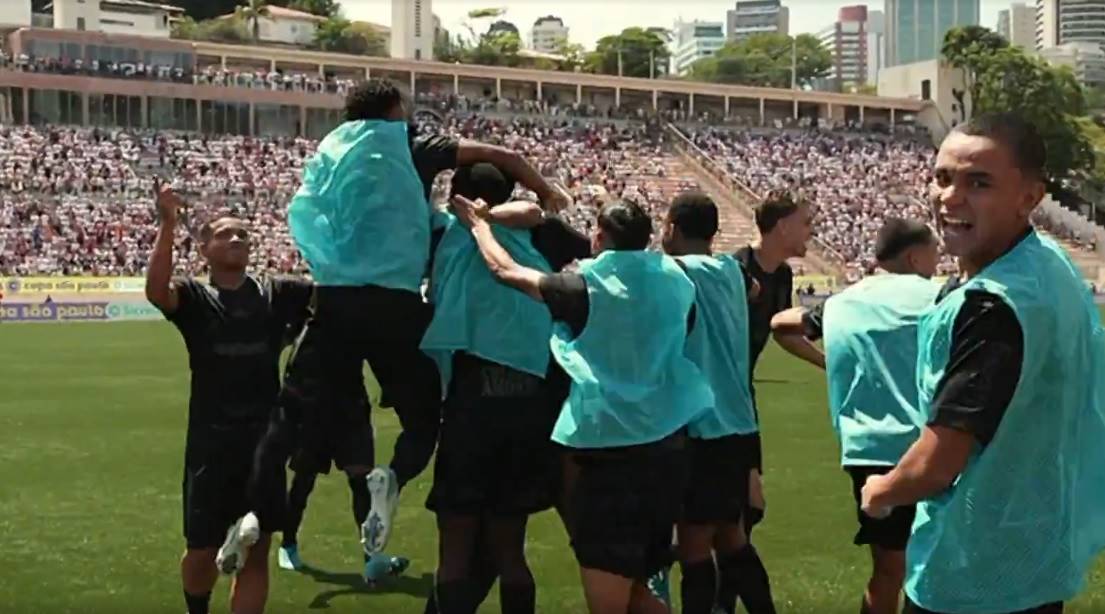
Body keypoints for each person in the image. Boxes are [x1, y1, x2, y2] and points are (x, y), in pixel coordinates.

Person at [237, 79, 568, 582]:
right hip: (395, 302)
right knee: (425, 414)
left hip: (336, 299)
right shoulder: (412, 143)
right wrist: (544, 188)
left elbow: (307, 208)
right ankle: (392, 475)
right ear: (395, 110)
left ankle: (258, 512)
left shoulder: (331, 148)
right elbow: (502, 155)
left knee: (288, 412)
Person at [861, 113, 1105, 613]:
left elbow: (937, 462)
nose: (950, 197)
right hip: (1037, 553)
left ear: (1030, 197)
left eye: (979, 183)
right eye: (943, 177)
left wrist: (882, 490)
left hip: (974, 572)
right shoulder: (1052, 266)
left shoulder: (993, 305)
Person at [451, 195, 713, 614]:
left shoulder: (584, 288)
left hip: (611, 458)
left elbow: (506, 271)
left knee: (609, 594)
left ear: (600, 237)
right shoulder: (678, 282)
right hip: (668, 452)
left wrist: (479, 226)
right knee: (633, 588)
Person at [419, 163, 591, 614]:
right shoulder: (539, 239)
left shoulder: (444, 232)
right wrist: (520, 207)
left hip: (469, 400)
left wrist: (483, 216)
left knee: (454, 550)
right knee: (510, 550)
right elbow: (551, 221)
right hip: (527, 401)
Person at [145, 184, 313, 614]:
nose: (237, 239)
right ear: (202, 248)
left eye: (243, 234)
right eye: (225, 234)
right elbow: (156, 291)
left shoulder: (277, 292)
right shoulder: (195, 297)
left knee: (256, 550)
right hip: (211, 443)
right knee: (200, 551)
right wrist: (167, 223)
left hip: (264, 444)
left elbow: (334, 296)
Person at [770, 217, 941, 614]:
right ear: (915, 256)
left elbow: (781, 324)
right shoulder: (939, 295)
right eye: (934, 253)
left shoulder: (844, 301)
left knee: (887, 569)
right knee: (940, 567)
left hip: (868, 451)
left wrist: (825, 361)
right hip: (932, 448)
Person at [659, 192, 775, 614]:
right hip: (739, 421)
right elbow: (755, 288)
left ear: (671, 227)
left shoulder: (670, 272)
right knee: (732, 536)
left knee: (692, 544)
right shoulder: (732, 269)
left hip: (699, 424)